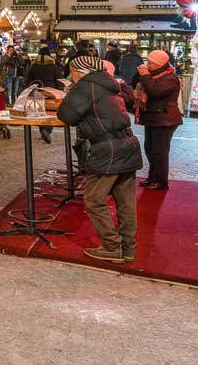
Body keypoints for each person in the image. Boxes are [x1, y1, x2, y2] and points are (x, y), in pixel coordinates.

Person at [56, 54, 142, 263]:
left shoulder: (86, 86)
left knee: (94, 200)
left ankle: (112, 246)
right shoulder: (108, 84)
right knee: (125, 202)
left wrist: (69, 92)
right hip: (127, 145)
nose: (71, 76)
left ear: (79, 73)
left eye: (72, 72)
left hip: (107, 149)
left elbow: (66, 115)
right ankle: (128, 248)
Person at [134, 48, 182, 191]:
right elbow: (137, 84)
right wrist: (142, 74)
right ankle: (152, 178)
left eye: (150, 62)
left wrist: (145, 75)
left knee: (159, 152)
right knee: (149, 149)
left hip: (165, 119)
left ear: (159, 64)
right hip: (153, 118)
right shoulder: (152, 75)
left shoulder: (171, 78)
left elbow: (154, 92)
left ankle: (161, 182)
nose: (147, 64)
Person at [25, 50, 63, 143]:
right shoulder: (53, 66)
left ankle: (43, 129)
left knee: (39, 112)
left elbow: (27, 80)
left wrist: (29, 89)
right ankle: (47, 129)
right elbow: (59, 79)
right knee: (49, 112)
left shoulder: (34, 66)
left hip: (37, 92)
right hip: (51, 92)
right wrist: (59, 91)